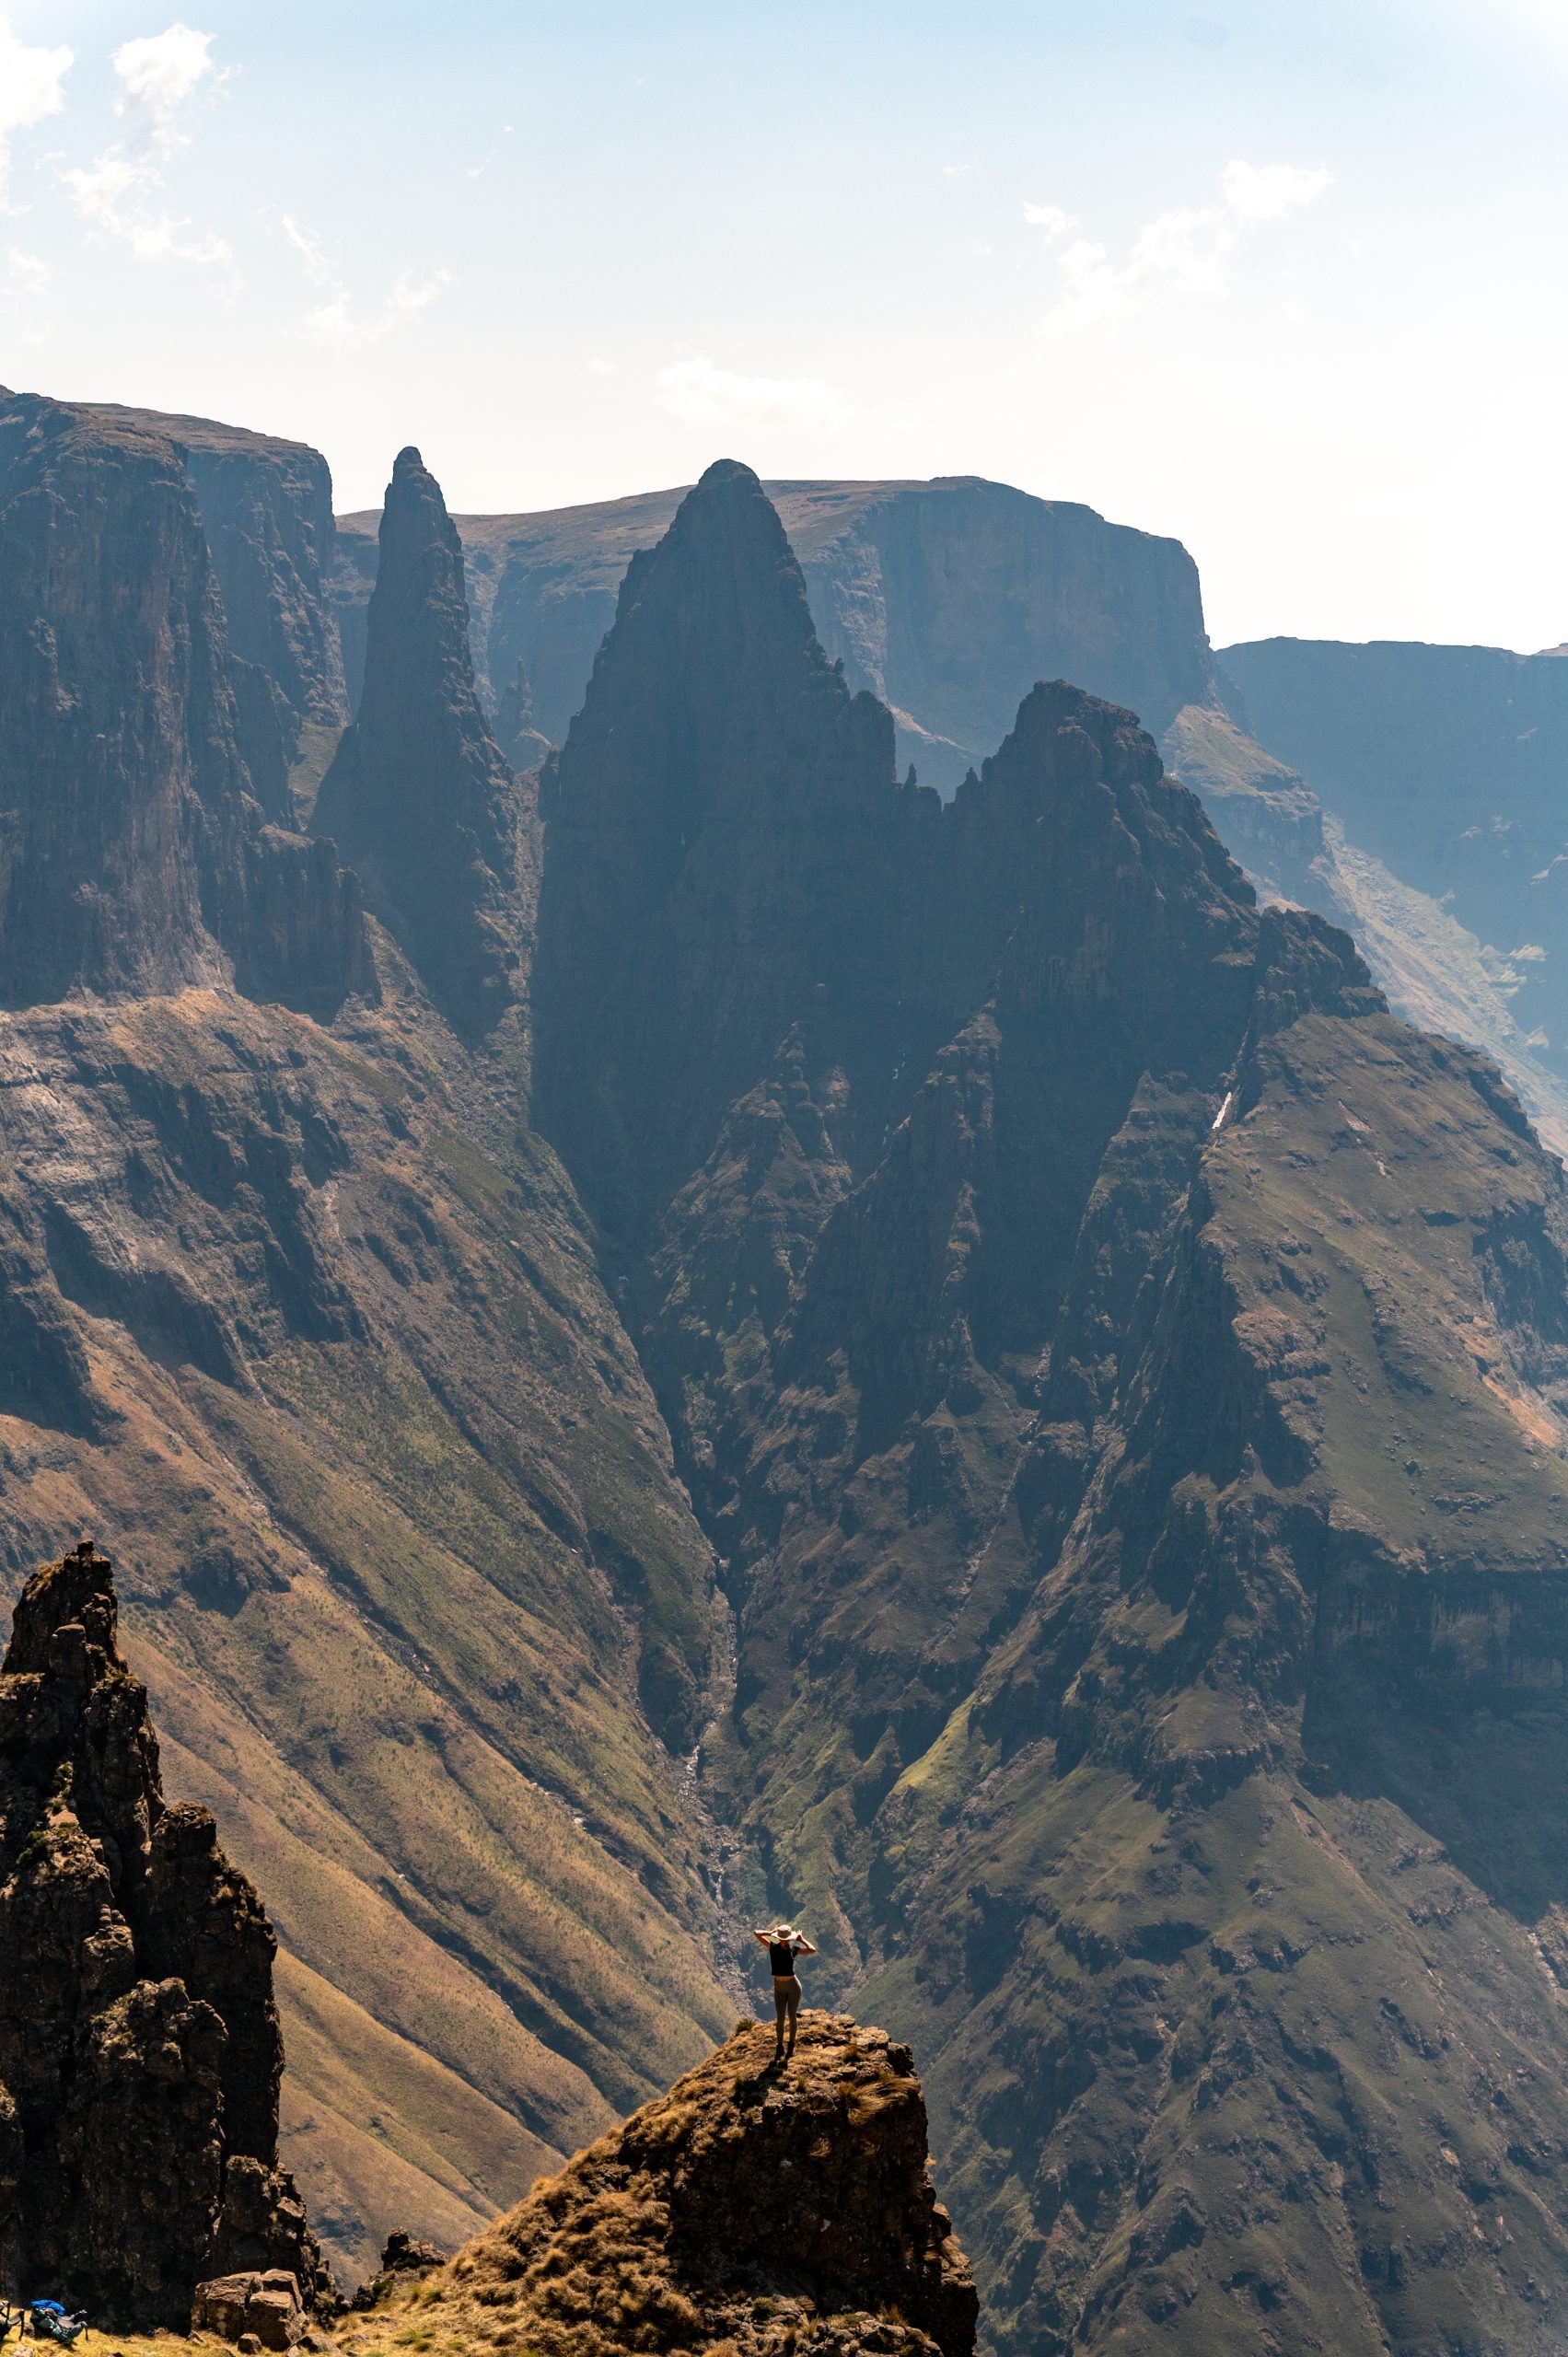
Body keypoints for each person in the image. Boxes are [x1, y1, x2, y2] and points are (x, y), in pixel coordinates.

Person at [752, 1920, 817, 2059]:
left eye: (785, 1939)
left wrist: (802, 1939)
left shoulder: (793, 1949)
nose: (783, 1941)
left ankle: (791, 2046)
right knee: (780, 2018)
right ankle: (780, 2047)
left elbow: (812, 1950)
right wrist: (769, 1933)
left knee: (792, 2016)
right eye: (781, 1938)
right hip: (779, 1988)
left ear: (789, 1939)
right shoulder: (772, 1947)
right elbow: (756, 1933)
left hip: (793, 1986)